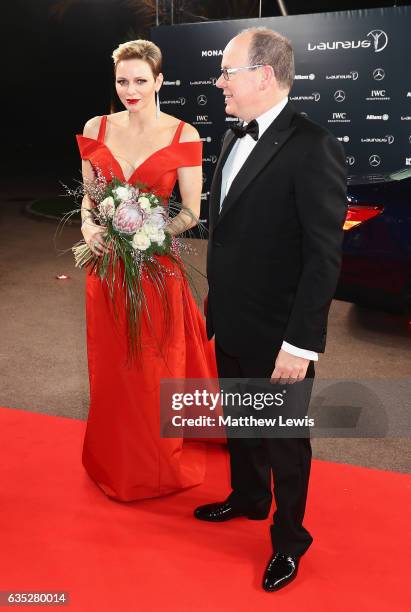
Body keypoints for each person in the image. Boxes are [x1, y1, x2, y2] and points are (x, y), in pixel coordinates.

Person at [194, 28, 347, 592]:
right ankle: (249, 498)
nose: (219, 83)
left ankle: (289, 540)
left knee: (284, 440)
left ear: (262, 74)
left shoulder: (313, 146)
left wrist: (300, 345)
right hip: (233, 316)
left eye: (226, 72)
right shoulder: (234, 134)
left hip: (282, 332)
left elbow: (323, 257)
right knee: (242, 423)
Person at [76, 39, 217, 502]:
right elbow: (89, 198)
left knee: (154, 368)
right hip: (107, 270)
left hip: (155, 270)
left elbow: (192, 212)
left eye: (140, 80)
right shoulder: (96, 126)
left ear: (159, 81)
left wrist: (149, 235)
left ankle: (154, 463)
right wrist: (92, 227)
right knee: (112, 366)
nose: (130, 90)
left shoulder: (184, 135)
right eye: (122, 81)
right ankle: (112, 458)